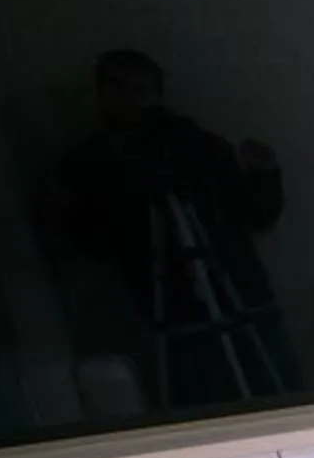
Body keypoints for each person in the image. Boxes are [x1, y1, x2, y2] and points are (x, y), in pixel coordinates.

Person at [49, 48, 296, 411]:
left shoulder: (197, 147)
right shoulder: (90, 164)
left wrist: (264, 174)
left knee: (280, 402)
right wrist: (66, 211)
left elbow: (256, 215)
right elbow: (98, 242)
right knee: (207, 413)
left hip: (241, 299)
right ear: (101, 93)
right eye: (119, 88)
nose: (132, 100)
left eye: (141, 89)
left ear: (157, 94)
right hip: (175, 316)